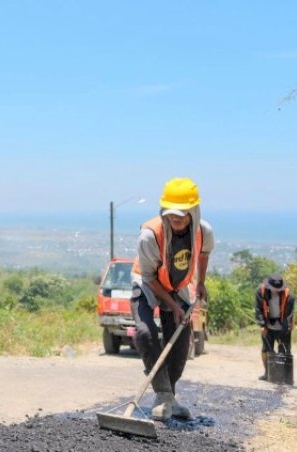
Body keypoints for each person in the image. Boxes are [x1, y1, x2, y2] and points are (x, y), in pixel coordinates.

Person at [130, 177, 214, 421]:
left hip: (177, 285)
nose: (175, 218)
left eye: (181, 213)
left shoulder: (203, 231)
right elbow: (150, 277)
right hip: (147, 282)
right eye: (170, 213)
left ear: (193, 211)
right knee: (145, 333)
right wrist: (173, 306)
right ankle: (163, 393)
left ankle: (168, 398)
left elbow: (204, 254)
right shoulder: (149, 235)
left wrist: (200, 283)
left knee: (179, 347)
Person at [255, 273, 295, 381]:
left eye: (278, 288)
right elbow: (258, 309)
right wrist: (262, 325)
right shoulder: (260, 292)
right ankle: (267, 373)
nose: (275, 290)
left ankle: (284, 375)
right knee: (266, 349)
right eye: (273, 288)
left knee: (285, 349)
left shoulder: (289, 296)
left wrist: (287, 328)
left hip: (282, 324)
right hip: (268, 324)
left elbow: (289, 315)